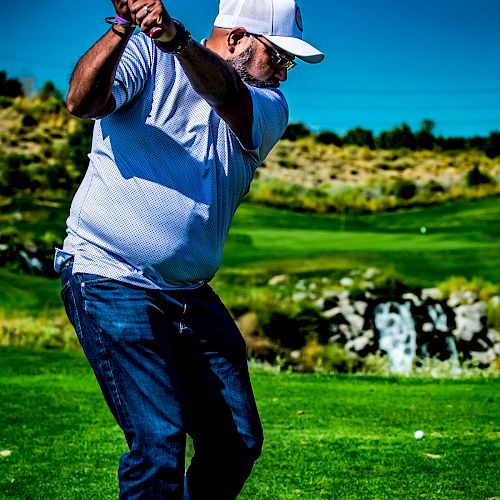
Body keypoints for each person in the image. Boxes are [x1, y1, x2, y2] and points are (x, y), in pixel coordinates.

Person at [55, 0, 323, 497]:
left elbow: (226, 96)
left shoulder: (267, 106)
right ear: (239, 37)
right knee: (158, 440)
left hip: (189, 292)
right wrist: (123, 27)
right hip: (109, 273)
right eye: (278, 57)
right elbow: (81, 102)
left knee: (236, 440)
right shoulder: (145, 57)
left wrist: (176, 39)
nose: (285, 74)